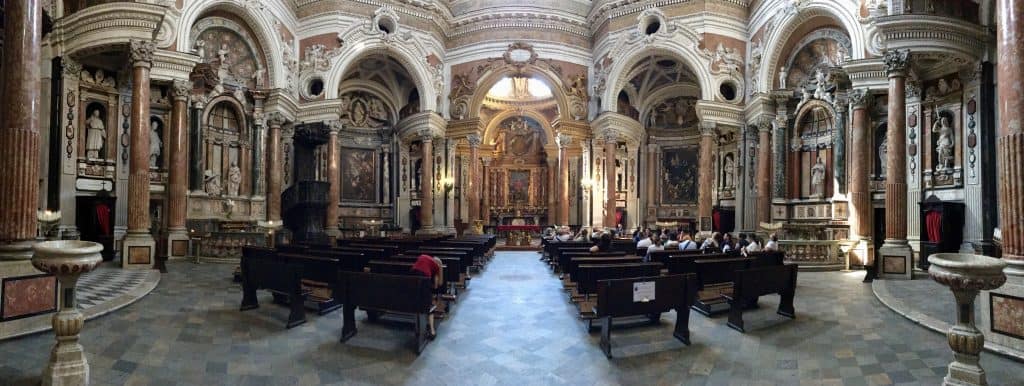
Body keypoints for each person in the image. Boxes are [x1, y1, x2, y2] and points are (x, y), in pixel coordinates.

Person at [410, 254, 444, 338]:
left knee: (416, 298)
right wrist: (440, 269)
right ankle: (432, 330)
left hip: (412, 276)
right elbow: (438, 284)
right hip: (424, 278)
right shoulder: (437, 266)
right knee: (429, 305)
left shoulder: (423, 257)